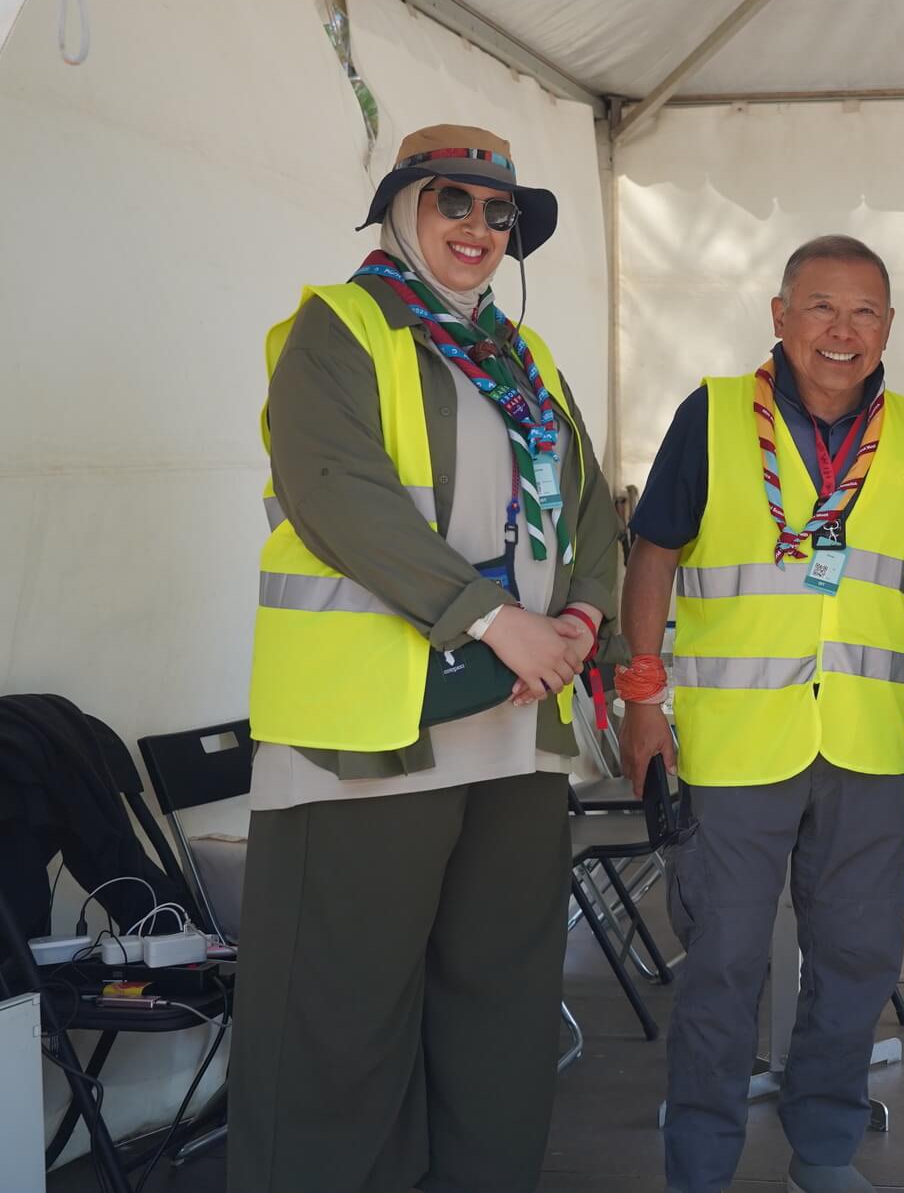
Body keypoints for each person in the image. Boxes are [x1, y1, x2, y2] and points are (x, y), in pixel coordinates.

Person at [233, 125, 620, 1193]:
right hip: (367, 739)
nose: (479, 228)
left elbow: (591, 506)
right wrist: (496, 620)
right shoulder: (337, 328)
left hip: (516, 731)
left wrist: (583, 620)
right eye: (454, 201)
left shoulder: (525, 357)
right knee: (336, 1029)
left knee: (500, 1017)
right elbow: (336, 495)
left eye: (499, 213)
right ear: (402, 207)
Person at [617, 235, 904, 1193]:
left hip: (863, 744)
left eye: (865, 311)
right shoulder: (715, 413)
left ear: (889, 325)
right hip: (733, 748)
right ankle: (700, 1165)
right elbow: (653, 552)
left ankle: (825, 1150)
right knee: (721, 964)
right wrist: (644, 697)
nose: (843, 331)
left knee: (857, 955)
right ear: (779, 314)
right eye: (821, 307)